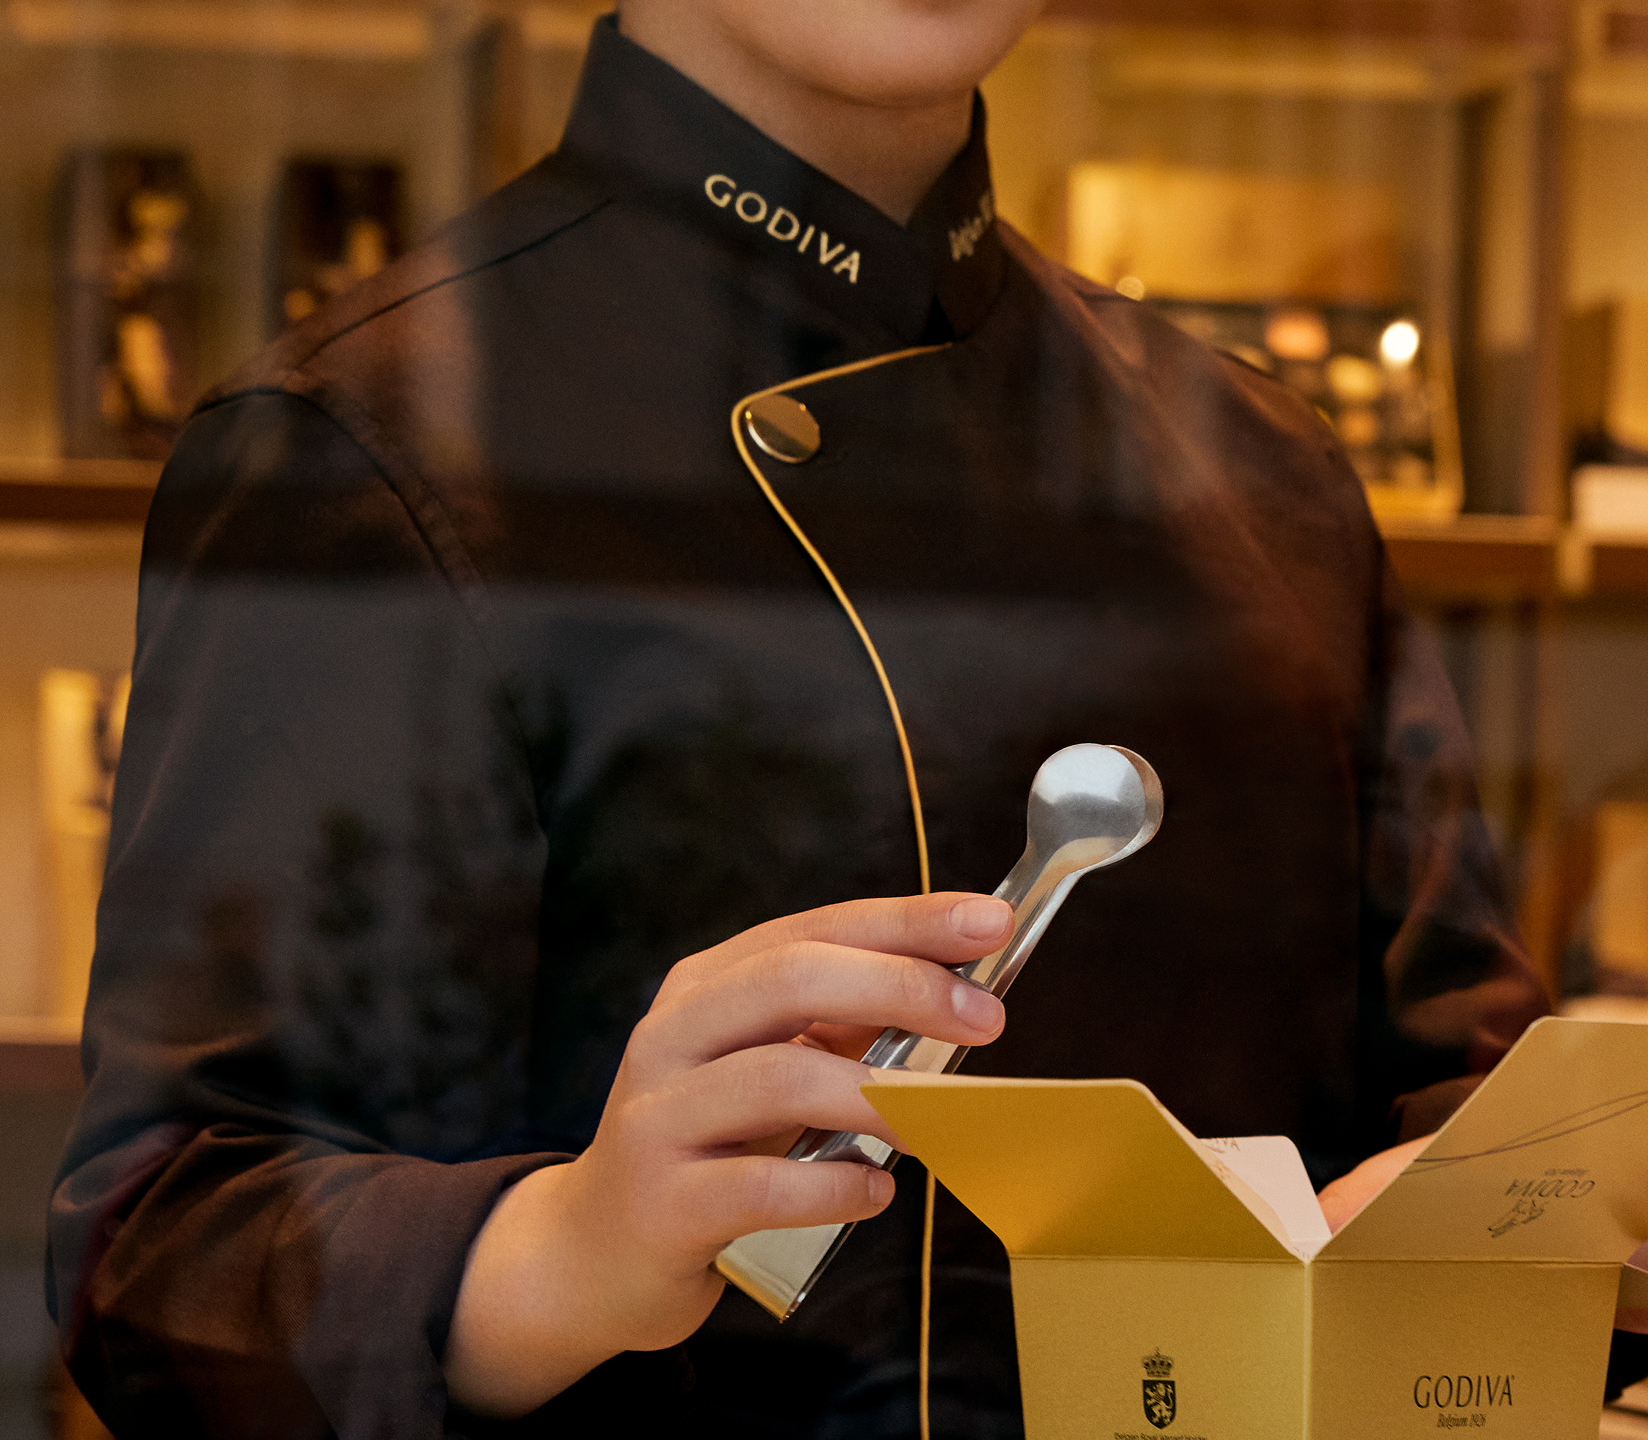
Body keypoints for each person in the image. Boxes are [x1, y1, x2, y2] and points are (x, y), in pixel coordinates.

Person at [47, 1, 1571, 1435]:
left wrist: (1501, 1212)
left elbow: (1473, 1098)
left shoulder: (1264, 463)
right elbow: (166, 1246)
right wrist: (558, 1250)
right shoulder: (364, 445)